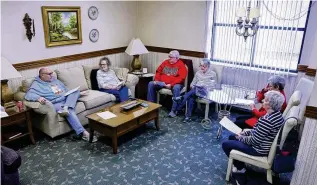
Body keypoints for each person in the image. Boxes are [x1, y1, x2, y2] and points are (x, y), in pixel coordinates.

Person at [24, 67, 97, 142]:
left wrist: (77, 93)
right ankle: (83, 132)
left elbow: (66, 90)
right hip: (56, 102)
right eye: (49, 74)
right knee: (69, 110)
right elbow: (28, 95)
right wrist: (38, 98)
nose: (52, 75)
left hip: (66, 98)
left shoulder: (54, 80)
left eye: (51, 73)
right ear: (42, 75)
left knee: (75, 92)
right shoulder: (36, 84)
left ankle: (66, 107)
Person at [222, 90, 285, 173]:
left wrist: (241, 138)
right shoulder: (277, 115)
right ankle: (238, 162)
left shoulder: (267, 120)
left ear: (270, 105)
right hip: (265, 145)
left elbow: (254, 141)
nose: (262, 101)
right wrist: (245, 133)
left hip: (258, 149)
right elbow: (257, 130)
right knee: (231, 137)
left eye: (265, 100)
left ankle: (240, 168)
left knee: (225, 144)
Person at [147, 50, 188, 117]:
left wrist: (171, 84)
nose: (169, 58)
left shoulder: (181, 65)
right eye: (169, 57)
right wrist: (156, 80)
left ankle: (173, 111)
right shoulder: (165, 62)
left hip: (175, 84)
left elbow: (181, 78)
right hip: (162, 83)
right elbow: (158, 71)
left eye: (171, 57)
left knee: (176, 88)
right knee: (151, 84)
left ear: (177, 58)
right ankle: (151, 106)